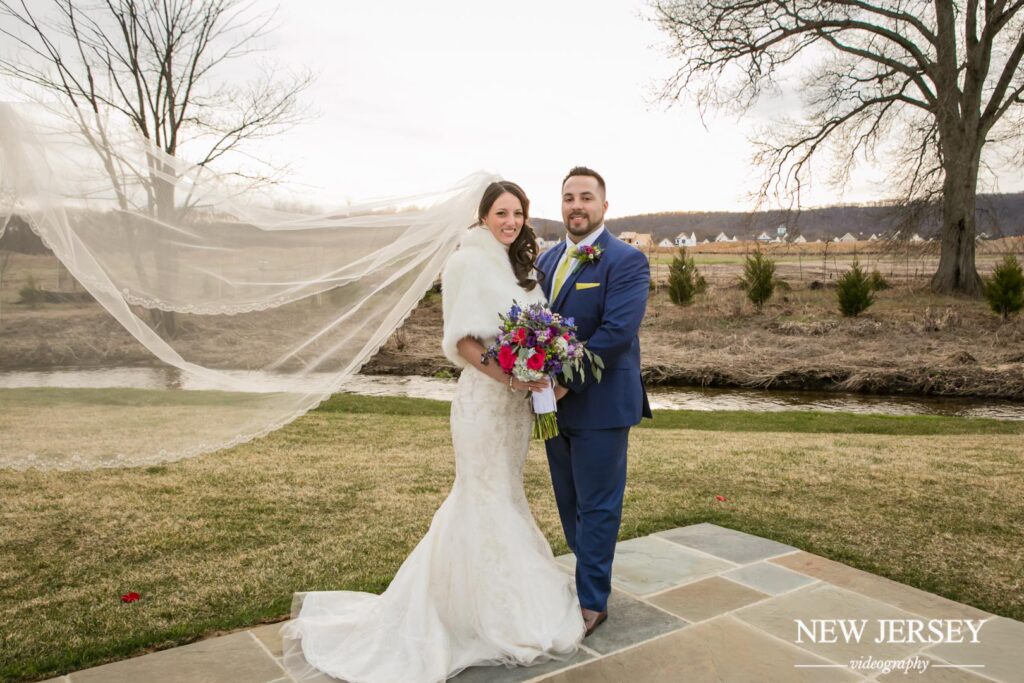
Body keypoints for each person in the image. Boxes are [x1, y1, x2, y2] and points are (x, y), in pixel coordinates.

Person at [280, 181, 585, 683]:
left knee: (506, 494)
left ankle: (501, 599)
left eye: (518, 213)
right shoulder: (465, 262)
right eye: (501, 212)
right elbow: (463, 341)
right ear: (483, 215)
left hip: (515, 408)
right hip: (484, 401)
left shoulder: (522, 271)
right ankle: (466, 614)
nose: (510, 221)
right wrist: (511, 377)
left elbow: (534, 333)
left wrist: (540, 369)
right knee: (479, 495)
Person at [536, 167, 652, 636]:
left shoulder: (626, 260)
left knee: (598, 505)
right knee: (568, 501)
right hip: (547, 405)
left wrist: (564, 381)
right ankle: (587, 578)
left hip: (600, 404)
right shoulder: (544, 261)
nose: (576, 205)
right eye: (568, 197)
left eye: (586, 197)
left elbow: (616, 333)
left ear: (605, 206)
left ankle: (592, 600)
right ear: (560, 206)